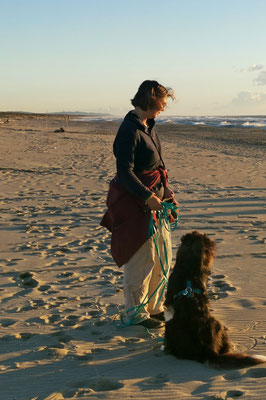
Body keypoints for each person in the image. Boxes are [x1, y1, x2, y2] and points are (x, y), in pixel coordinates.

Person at [100, 80, 176, 329]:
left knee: (160, 257)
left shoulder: (149, 125)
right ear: (150, 100)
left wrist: (167, 196)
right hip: (138, 208)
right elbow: (125, 173)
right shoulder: (129, 131)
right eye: (162, 103)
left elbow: (158, 167)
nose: (164, 107)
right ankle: (136, 313)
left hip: (156, 202)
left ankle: (154, 308)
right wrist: (147, 197)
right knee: (141, 261)